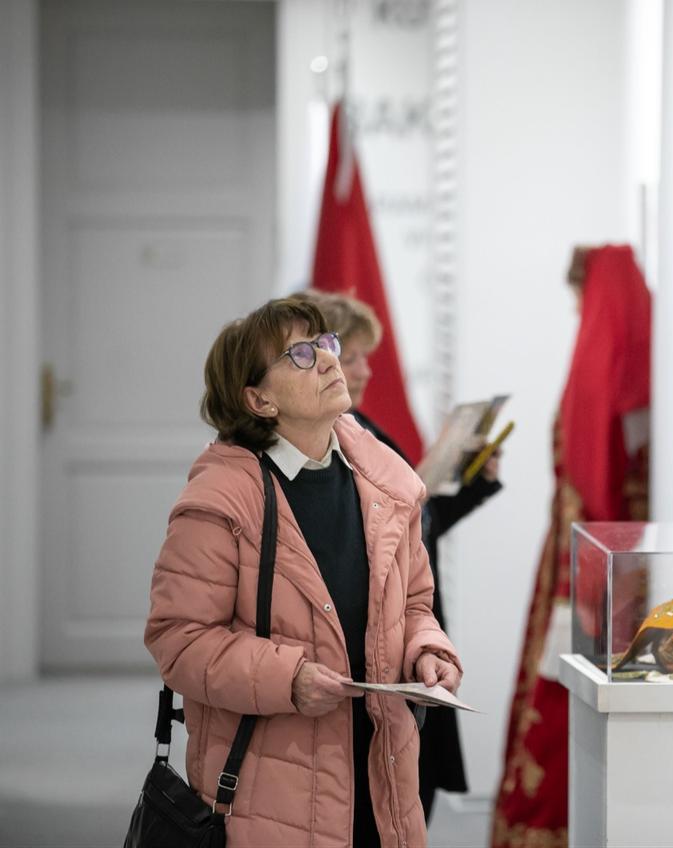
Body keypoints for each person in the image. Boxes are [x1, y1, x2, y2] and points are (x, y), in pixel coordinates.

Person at [144, 296, 462, 846]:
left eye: (326, 344)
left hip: (382, 775)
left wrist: (427, 650)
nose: (328, 360)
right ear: (259, 399)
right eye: (300, 354)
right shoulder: (220, 500)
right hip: (271, 791)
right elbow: (179, 640)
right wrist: (287, 679)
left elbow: (413, 603)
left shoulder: (384, 480)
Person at [296, 289, 502, 825]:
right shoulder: (331, 448)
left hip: (409, 645)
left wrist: (474, 482)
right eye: (351, 356)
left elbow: (416, 532)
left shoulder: (364, 435)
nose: (363, 370)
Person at [491, 245, 651, 848]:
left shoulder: (601, 368)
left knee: (570, 705)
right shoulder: (625, 363)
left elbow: (593, 484)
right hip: (599, 548)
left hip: (591, 554)